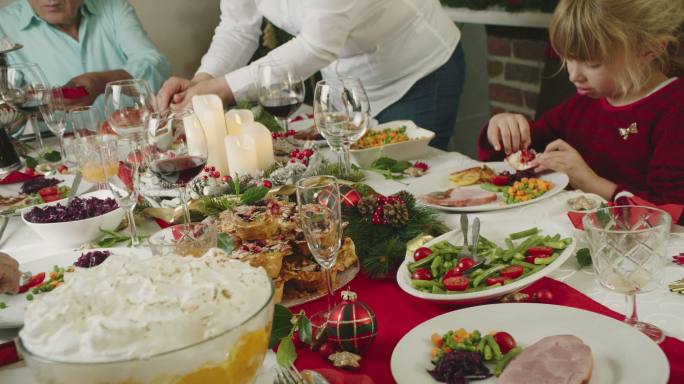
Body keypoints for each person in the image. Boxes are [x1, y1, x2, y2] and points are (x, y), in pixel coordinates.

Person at [158, 0, 465, 150]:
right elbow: (238, 27)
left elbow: (316, 46)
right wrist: (203, 79)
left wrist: (222, 89)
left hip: (414, 73)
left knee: (409, 184)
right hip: (342, 83)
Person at [478, 0, 684, 206]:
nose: (573, 76)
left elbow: (674, 213)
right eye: (567, 59)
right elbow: (519, 152)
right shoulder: (582, 105)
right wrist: (502, 129)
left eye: (592, 64)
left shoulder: (675, 111)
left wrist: (590, 182)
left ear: (650, 50)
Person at [0, 0, 171, 110]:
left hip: (133, 136)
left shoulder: (113, 6)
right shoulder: (3, 25)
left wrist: (102, 81)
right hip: (59, 157)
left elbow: (158, 69)